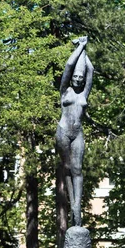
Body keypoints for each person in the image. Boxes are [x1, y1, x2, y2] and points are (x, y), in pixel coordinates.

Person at [56, 36, 94, 227]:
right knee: (68, 169)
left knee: (78, 169)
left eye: (81, 77)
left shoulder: (84, 93)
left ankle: (77, 207)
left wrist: (85, 47)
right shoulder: (65, 91)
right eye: (76, 77)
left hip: (77, 132)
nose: (79, 79)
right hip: (63, 131)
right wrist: (79, 47)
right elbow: (70, 64)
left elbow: (91, 70)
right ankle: (72, 205)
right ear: (71, 79)